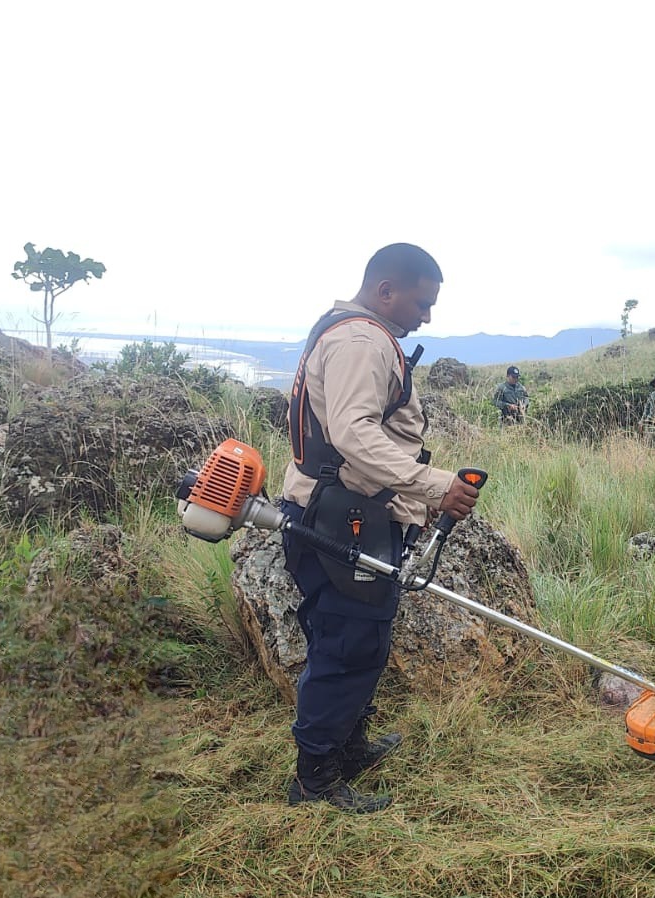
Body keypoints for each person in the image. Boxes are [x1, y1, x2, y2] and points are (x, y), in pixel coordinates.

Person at [280, 243, 480, 813]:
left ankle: (349, 746)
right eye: (422, 302)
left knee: (361, 639)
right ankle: (315, 780)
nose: (427, 316)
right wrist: (433, 485)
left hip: (350, 516)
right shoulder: (361, 341)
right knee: (346, 646)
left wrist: (412, 496)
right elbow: (353, 434)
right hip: (340, 521)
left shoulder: (353, 332)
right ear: (385, 290)